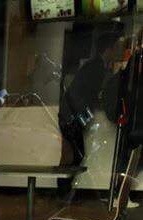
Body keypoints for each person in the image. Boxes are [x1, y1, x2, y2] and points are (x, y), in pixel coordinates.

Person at [59, 31, 121, 166]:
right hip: (73, 117)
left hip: (73, 116)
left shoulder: (95, 66)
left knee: (74, 156)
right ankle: (65, 178)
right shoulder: (96, 68)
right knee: (73, 156)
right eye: (116, 47)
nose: (118, 51)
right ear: (108, 49)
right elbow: (90, 96)